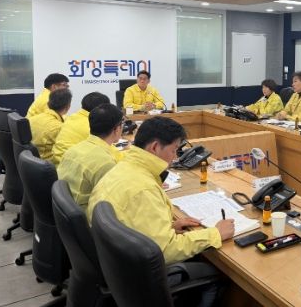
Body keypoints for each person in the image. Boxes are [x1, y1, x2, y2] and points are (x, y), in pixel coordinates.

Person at [87, 117, 234, 306]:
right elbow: (165, 251)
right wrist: (215, 234)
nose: (175, 157)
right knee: (215, 274)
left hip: (116, 267)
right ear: (155, 147)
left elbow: (132, 221)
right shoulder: (143, 189)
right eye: (174, 150)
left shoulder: (124, 168)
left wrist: (170, 226)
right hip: (137, 279)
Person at [57, 103, 123, 213]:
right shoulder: (106, 164)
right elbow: (115, 202)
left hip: (65, 212)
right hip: (87, 217)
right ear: (116, 129)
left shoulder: (73, 150)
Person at [51, 92, 110, 165]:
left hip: (60, 161)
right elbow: (108, 150)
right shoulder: (92, 125)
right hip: (71, 164)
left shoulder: (72, 117)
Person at [30, 89, 72, 161]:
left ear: (48, 103)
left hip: (33, 161)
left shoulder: (32, 119)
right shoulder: (58, 128)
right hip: (48, 164)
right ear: (68, 107)